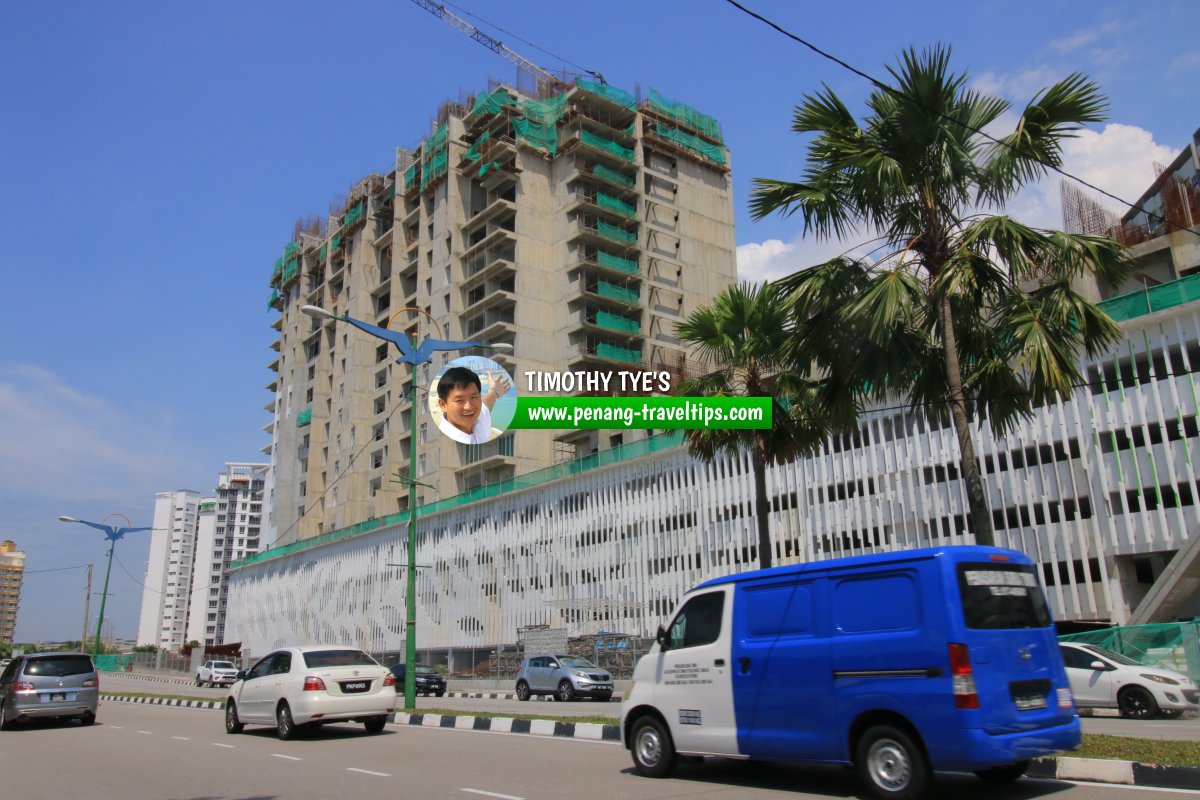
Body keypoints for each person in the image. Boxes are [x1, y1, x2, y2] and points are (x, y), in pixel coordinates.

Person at [435, 366, 511, 444]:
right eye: (459, 400)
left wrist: (494, 391)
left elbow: (486, 404)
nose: (469, 407)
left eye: (473, 397)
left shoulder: (478, 419)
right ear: (443, 405)